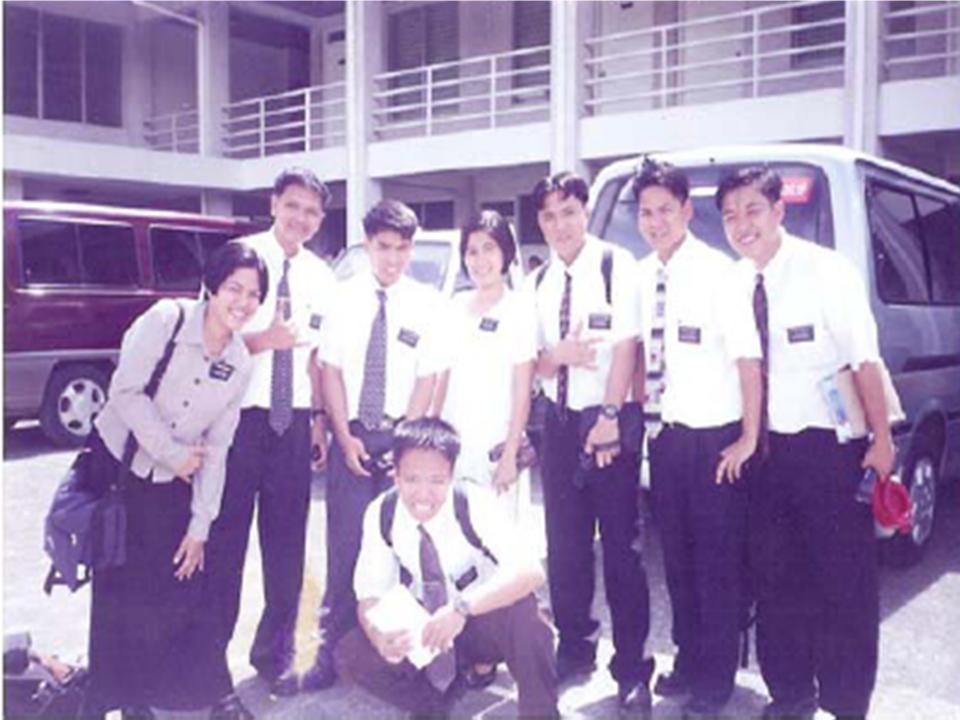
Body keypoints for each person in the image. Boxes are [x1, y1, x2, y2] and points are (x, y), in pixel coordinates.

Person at [717, 166, 895, 720]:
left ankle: (845, 703)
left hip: (830, 452)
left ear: (778, 211)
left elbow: (865, 360)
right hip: (767, 454)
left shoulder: (826, 272)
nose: (741, 225)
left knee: (842, 583)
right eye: (729, 215)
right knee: (776, 581)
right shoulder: (735, 282)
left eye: (752, 210)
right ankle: (791, 694)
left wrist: (883, 439)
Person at [80, 242, 266, 719]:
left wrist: (201, 526)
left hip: (173, 482)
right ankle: (111, 702)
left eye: (253, 295)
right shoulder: (167, 320)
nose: (242, 302)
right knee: (117, 597)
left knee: (178, 589)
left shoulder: (241, 361)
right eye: (234, 289)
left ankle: (171, 698)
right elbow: (124, 392)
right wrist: (174, 455)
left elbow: (219, 448)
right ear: (212, 285)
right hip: (118, 470)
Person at [202, 167, 336, 716]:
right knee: (225, 549)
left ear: (320, 219)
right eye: (292, 206)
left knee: (287, 549)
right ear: (274, 204)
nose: (300, 218)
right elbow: (207, 340)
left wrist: (321, 420)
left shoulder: (322, 275)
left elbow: (317, 357)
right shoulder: (239, 258)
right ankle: (209, 669)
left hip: (292, 424)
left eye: (311, 211)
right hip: (236, 424)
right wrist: (264, 340)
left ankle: (274, 652)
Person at [632, 159, 762, 719]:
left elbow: (748, 362)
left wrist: (749, 439)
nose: (656, 221)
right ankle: (687, 658)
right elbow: (637, 354)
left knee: (716, 562)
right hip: (665, 438)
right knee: (677, 560)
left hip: (714, 441)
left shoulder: (721, 273)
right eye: (646, 212)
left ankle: (718, 674)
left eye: (666, 209)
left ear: (687, 210)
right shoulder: (641, 275)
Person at [302, 199, 443, 692]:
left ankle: (402, 654)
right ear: (367, 244)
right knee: (345, 546)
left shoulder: (426, 302)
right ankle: (332, 650)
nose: (393, 259)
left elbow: (428, 377)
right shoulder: (343, 299)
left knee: (404, 547)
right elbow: (331, 371)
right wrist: (343, 438)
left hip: (401, 440)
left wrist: (408, 446)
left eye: (403, 248)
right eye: (384, 247)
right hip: (355, 437)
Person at [528, 171, 654, 713]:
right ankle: (574, 647)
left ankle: (631, 668)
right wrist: (558, 355)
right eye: (550, 216)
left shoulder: (613, 264)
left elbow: (628, 347)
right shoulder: (537, 281)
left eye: (570, 212)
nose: (561, 225)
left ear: (586, 212)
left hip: (606, 421)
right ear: (541, 221)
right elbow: (531, 362)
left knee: (622, 551)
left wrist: (608, 415)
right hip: (557, 423)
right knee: (566, 547)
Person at [335, 417, 558, 719]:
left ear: (452, 476)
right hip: (427, 630)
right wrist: (379, 637)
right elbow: (369, 596)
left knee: (529, 618)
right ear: (396, 476)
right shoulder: (381, 512)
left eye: (437, 481)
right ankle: (433, 703)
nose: (423, 494)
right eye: (412, 480)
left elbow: (530, 570)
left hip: (478, 620)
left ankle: (539, 714)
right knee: (351, 653)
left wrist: (462, 609)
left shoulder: (474, 502)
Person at [432, 210, 536, 523]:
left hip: (496, 449)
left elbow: (522, 388)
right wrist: (431, 436)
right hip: (454, 446)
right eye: (472, 251)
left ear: (506, 252)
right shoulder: (455, 306)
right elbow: (442, 375)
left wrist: (509, 454)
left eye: (489, 248)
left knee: (497, 544)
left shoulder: (520, 309)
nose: (480, 260)